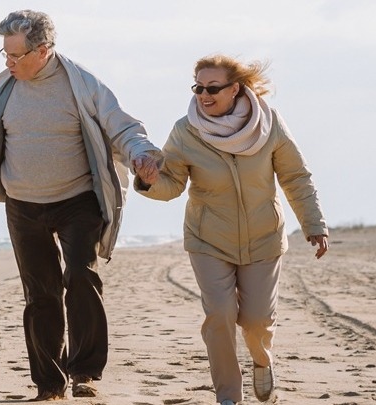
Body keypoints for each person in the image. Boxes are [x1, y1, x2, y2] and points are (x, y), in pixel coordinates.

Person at [0, 10, 164, 400]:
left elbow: (123, 128)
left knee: (80, 277)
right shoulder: (1, 88)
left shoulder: (81, 84)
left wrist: (142, 154)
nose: (8, 63)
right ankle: (49, 384)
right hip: (23, 204)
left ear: (42, 51)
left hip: (78, 200)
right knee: (40, 293)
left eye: (16, 56)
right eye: (4, 54)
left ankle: (86, 373)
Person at [136, 54, 330, 405]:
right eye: (198, 88)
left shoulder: (269, 124)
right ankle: (228, 397)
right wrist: (148, 182)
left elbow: (295, 177)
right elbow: (172, 184)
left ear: (236, 88)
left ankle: (262, 360)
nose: (204, 96)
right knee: (220, 315)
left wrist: (313, 224)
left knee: (256, 321)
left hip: (264, 237)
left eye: (213, 88)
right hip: (208, 239)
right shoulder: (186, 130)